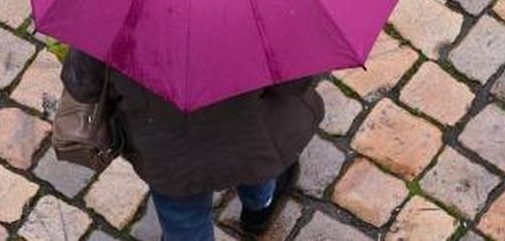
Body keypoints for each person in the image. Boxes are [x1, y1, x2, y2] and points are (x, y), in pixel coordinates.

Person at [60, 48, 325, 240]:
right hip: (249, 141)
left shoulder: (112, 13)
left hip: (168, 157)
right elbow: (295, 85)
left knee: (182, 220)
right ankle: (258, 213)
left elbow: (83, 86)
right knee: (258, 176)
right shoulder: (265, 8)